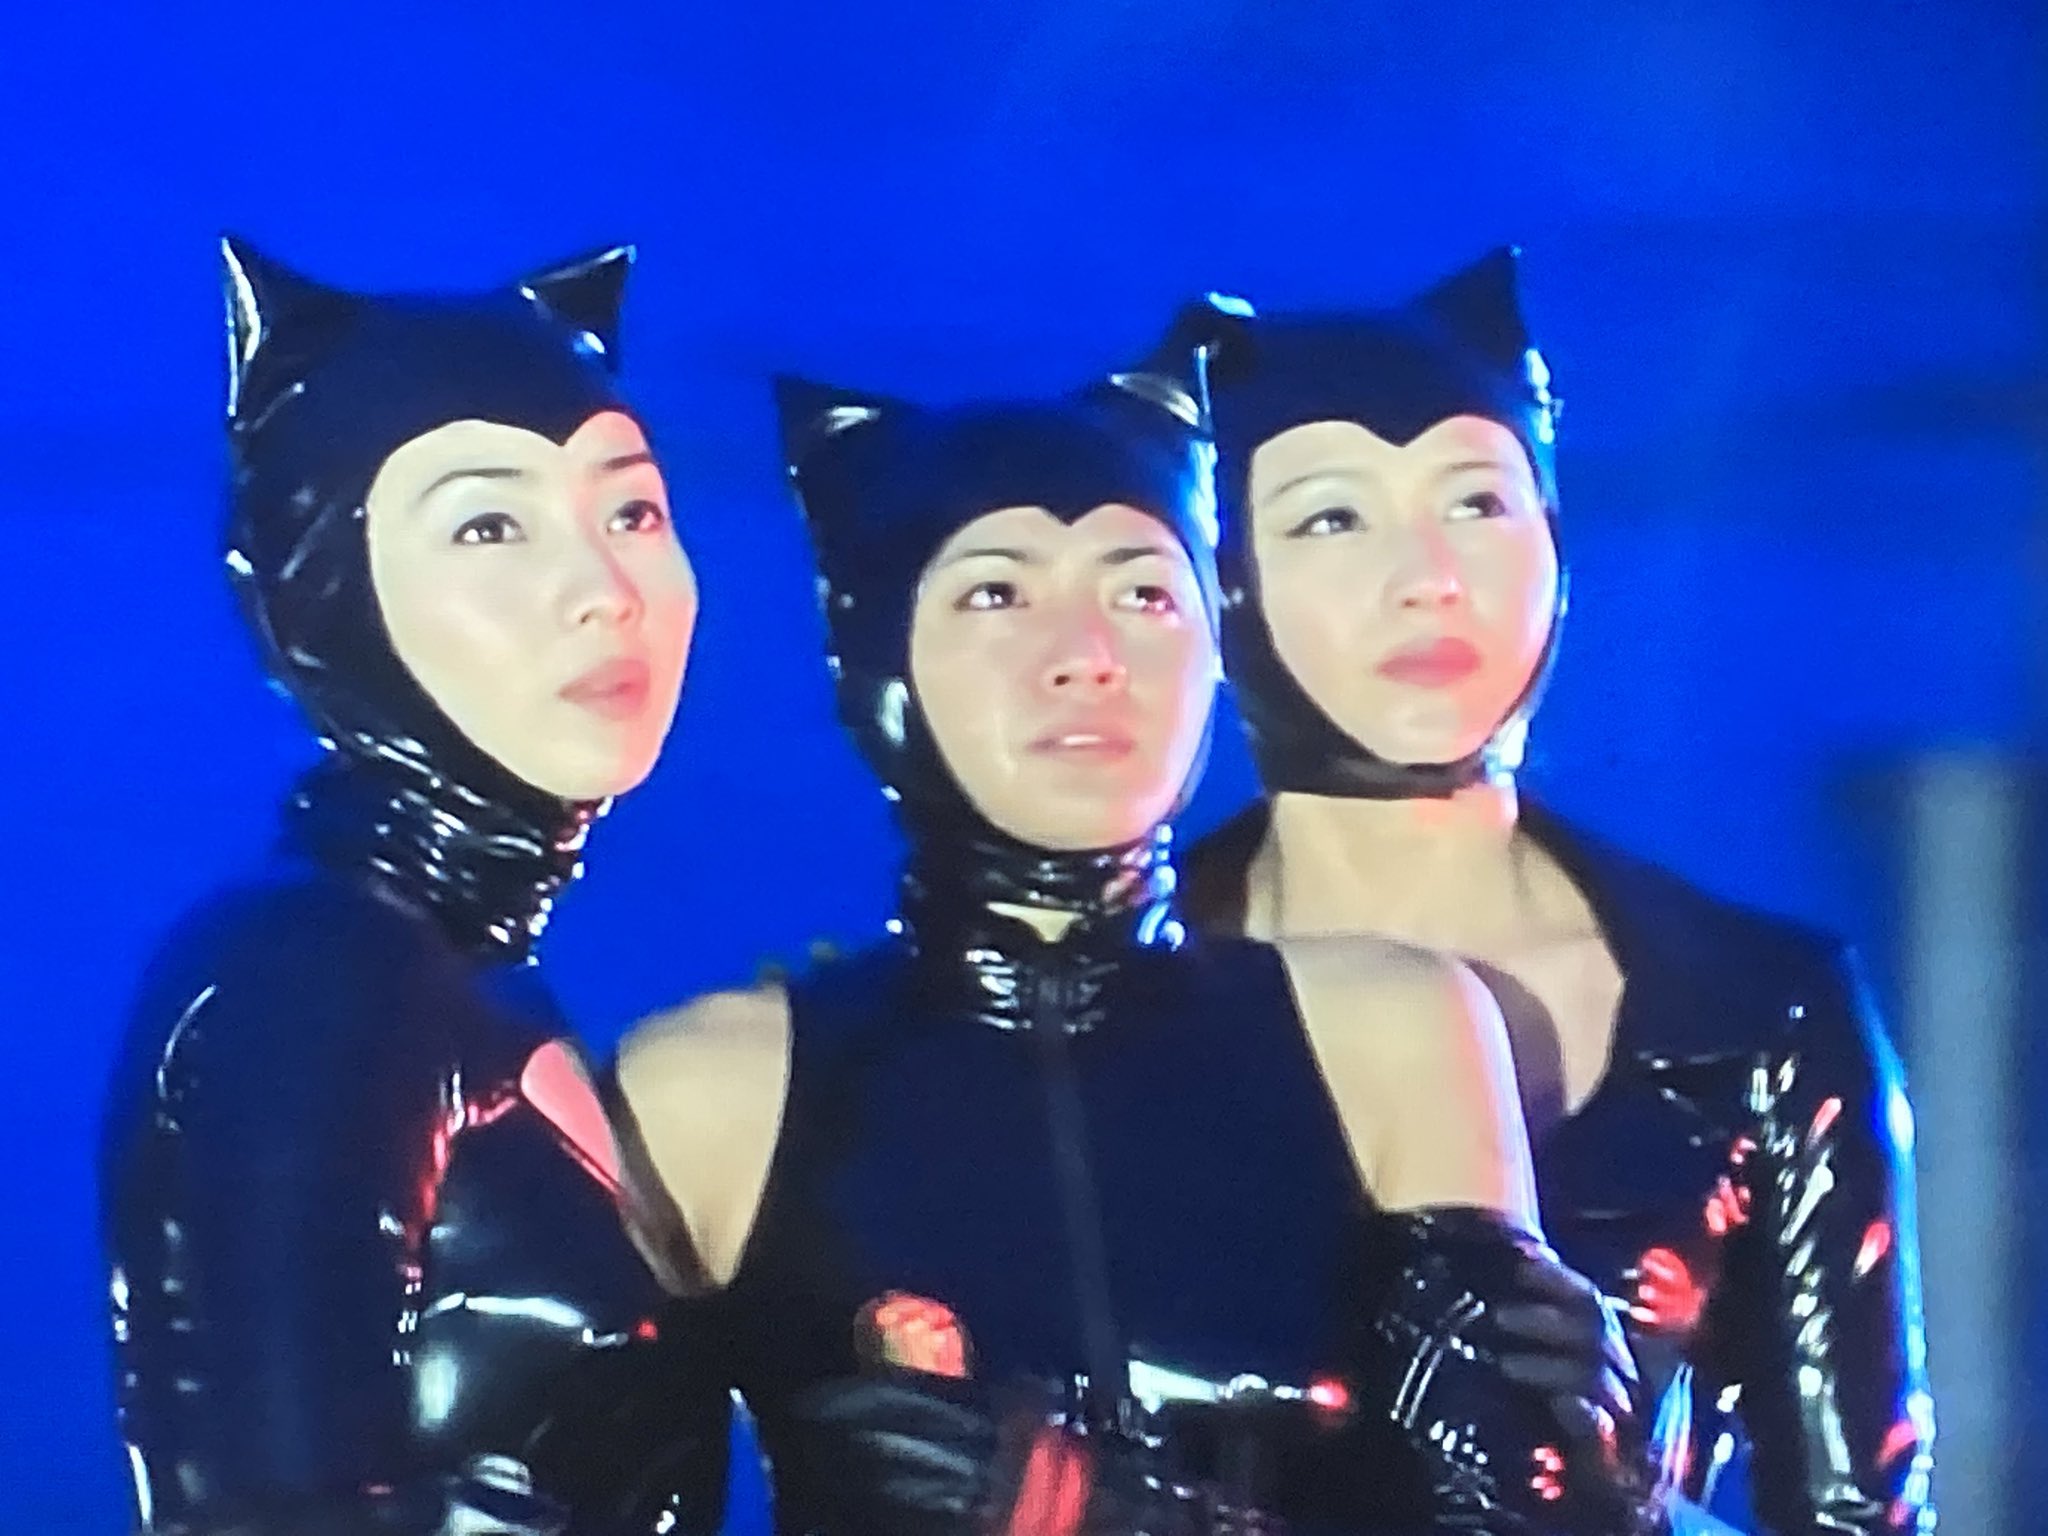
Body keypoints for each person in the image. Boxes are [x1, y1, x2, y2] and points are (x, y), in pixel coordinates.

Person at [612, 347, 1658, 1534]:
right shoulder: (714, 1091)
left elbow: (1503, 1510)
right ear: (877, 660)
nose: (1088, 656)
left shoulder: (1391, 1028)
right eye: (996, 594)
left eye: (1144, 593)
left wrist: (1598, 1473)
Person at [1175, 249, 1936, 1534]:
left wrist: (1625, 1501)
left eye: (1477, 500)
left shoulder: (1756, 1011)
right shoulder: (1096, 996)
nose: (1428, 573)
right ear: (1214, 573)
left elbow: (1860, 1514)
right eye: (1331, 516)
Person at [100, 238, 726, 1535]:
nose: (603, 592)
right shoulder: (317, 973)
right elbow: (283, 1514)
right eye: (489, 524)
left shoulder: (463, 979)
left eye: (632, 513)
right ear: (319, 593)